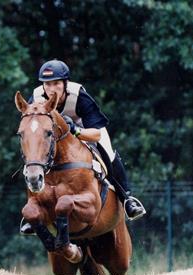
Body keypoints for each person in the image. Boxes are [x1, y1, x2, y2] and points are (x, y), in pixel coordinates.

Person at [20, 59, 146, 235]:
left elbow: (96, 134)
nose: (51, 89)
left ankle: (126, 198)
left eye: (56, 83)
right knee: (35, 156)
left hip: (83, 129)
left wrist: (76, 131)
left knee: (108, 152)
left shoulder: (78, 96)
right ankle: (34, 210)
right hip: (54, 135)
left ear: (65, 83)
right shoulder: (37, 97)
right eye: (47, 84)